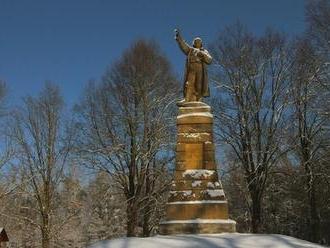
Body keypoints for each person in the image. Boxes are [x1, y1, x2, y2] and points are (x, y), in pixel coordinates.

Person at [174, 29, 212, 104]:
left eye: (199, 42)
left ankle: (199, 99)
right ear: (194, 43)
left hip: (200, 68)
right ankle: (187, 99)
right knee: (189, 83)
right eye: (196, 42)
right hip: (191, 68)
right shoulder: (191, 50)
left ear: (201, 44)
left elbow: (209, 60)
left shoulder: (204, 51)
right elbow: (184, 46)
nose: (197, 43)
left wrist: (202, 54)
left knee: (199, 84)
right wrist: (179, 38)